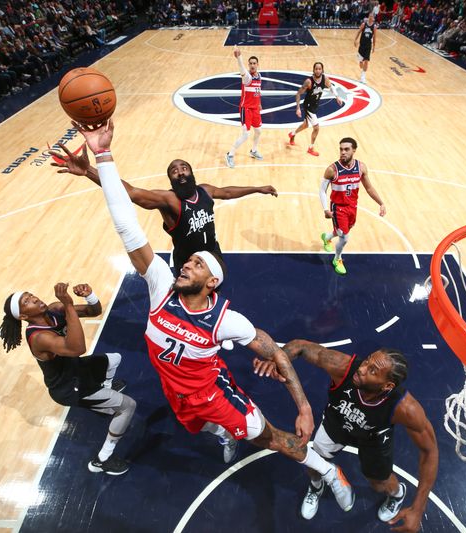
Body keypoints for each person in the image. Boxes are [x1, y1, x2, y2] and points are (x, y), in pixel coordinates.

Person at [71, 119, 355, 508]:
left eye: (196, 266)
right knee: (200, 427)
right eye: (186, 263)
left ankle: (326, 471)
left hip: (212, 393)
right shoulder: (160, 288)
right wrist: (101, 156)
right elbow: (126, 222)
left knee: (270, 437)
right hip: (175, 388)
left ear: (211, 283)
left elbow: (274, 351)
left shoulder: (225, 320)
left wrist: (304, 407)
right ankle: (223, 434)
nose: (185, 266)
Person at [274, 340, 438, 530]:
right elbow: (300, 346)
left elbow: (430, 452)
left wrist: (418, 509)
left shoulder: (405, 408)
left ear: (387, 386)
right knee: (313, 463)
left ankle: (397, 494)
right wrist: (276, 359)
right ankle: (316, 486)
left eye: (373, 371)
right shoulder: (343, 367)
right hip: (337, 423)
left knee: (379, 483)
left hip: (373, 438)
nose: (362, 368)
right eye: (367, 361)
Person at [48, 143, 277, 272]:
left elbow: (227, 192)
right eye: (174, 171)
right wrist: (89, 171)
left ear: (192, 172)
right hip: (187, 263)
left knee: (218, 282)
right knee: (188, 300)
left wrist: (257, 188)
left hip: (212, 252)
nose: (180, 171)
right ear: (171, 180)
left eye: (184, 167)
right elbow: (130, 193)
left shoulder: (205, 190)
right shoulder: (169, 200)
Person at [0, 283, 136, 476]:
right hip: (68, 387)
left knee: (115, 359)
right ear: (23, 316)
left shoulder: (55, 309)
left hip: (76, 369)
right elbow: (77, 349)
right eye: (27, 301)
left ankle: (105, 391)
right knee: (128, 406)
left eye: (31, 295)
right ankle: (103, 459)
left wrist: (90, 296)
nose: (35, 298)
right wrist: (69, 305)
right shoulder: (39, 337)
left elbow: (94, 311)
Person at [319, 138, 386, 275]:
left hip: (352, 206)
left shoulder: (361, 167)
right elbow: (321, 190)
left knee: (341, 231)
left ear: (354, 150)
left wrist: (381, 203)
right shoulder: (332, 170)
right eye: (341, 149)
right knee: (344, 237)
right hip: (338, 207)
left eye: (346, 149)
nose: (343, 152)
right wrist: (326, 209)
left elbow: (369, 188)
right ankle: (337, 259)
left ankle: (326, 237)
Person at [288, 62, 343, 157]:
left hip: (315, 105)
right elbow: (298, 93)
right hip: (308, 106)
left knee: (305, 125)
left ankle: (292, 134)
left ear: (322, 70)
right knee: (316, 128)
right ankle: (310, 148)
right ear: (313, 70)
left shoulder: (325, 79)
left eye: (319, 69)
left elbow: (331, 87)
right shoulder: (309, 81)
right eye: (316, 69)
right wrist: (298, 108)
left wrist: (337, 97)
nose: (318, 70)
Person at [225, 48, 262, 168]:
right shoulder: (247, 77)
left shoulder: (259, 76)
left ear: (257, 65)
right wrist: (239, 58)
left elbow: (258, 91)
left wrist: (259, 103)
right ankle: (230, 155)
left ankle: (254, 151)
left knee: (258, 131)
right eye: (250, 63)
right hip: (246, 108)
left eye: (254, 63)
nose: (252, 65)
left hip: (255, 108)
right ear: (248, 65)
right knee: (245, 135)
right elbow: (242, 69)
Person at [354, 14, 377, 84]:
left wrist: (374, 47)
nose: (371, 18)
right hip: (362, 45)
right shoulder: (364, 24)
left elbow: (375, 37)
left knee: (366, 61)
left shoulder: (374, 27)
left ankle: (363, 77)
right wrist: (355, 40)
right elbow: (358, 32)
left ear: (373, 19)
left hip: (368, 46)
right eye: (370, 16)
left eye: (372, 17)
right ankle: (360, 61)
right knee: (361, 64)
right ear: (368, 17)